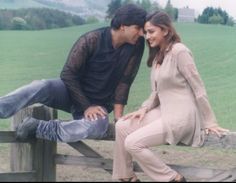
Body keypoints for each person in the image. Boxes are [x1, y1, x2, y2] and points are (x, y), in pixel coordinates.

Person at [0, 4, 147, 142]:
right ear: (123, 26)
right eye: (138, 28)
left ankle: (39, 128)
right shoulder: (91, 40)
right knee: (41, 86)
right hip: (70, 92)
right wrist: (86, 106)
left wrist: (118, 119)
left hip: (98, 105)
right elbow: (68, 74)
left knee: (97, 127)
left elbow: (124, 82)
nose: (142, 33)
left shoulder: (136, 45)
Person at [112, 11, 229, 182]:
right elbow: (156, 92)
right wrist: (144, 109)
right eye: (146, 32)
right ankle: (126, 177)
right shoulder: (159, 55)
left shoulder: (179, 51)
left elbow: (199, 88)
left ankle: (173, 178)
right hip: (164, 111)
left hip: (182, 116)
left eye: (151, 32)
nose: (147, 37)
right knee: (122, 126)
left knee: (132, 142)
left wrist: (210, 122)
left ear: (165, 30)